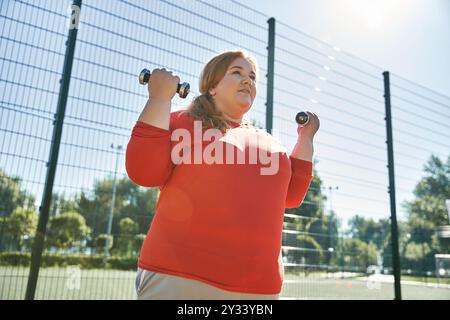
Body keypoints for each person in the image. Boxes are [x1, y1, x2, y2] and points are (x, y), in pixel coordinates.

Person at [126, 49, 319, 300]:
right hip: (177, 276)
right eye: (236, 72)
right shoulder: (181, 121)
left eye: (252, 76)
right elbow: (143, 172)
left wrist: (306, 139)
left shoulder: (271, 143)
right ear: (212, 86)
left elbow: (291, 196)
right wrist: (159, 99)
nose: (248, 80)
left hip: (258, 288)